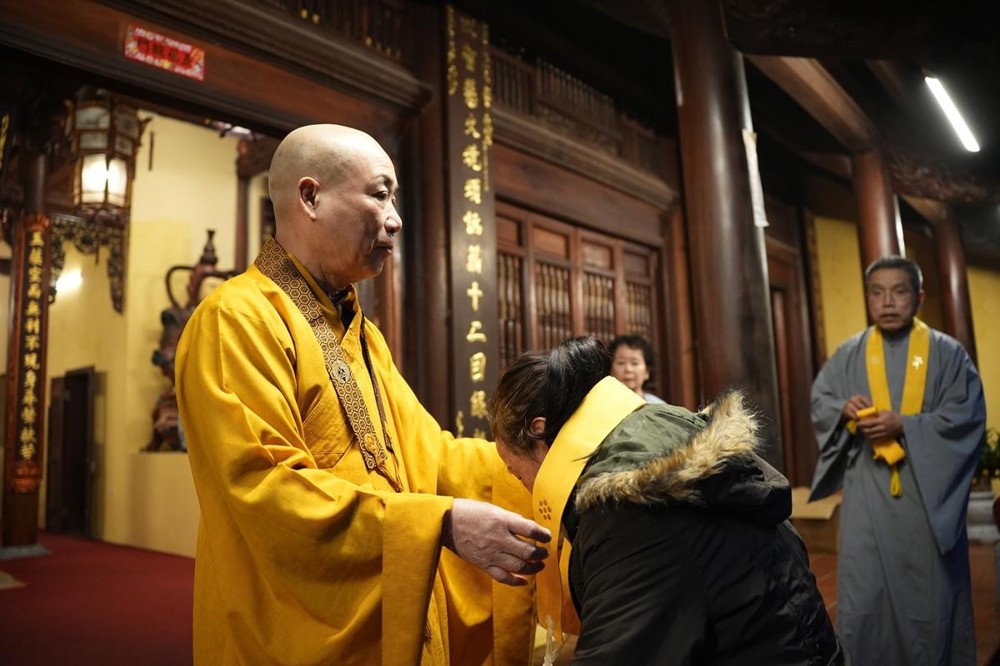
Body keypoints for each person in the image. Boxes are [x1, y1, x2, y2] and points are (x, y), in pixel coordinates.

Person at [175, 124, 550, 666]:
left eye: (394, 199)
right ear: (310, 197)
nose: (395, 219)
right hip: (293, 629)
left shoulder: (360, 332)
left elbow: (430, 455)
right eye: (379, 194)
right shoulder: (235, 319)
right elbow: (264, 487)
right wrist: (438, 524)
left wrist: (540, 457)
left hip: (390, 613)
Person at [488, 336, 847, 665]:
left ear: (540, 432)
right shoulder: (659, 431)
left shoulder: (629, 506)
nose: (526, 487)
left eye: (517, 473)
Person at [809, 255, 985, 665]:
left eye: (899, 291)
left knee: (931, 595)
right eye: (877, 292)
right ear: (868, 298)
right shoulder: (849, 353)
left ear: (918, 297)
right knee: (865, 595)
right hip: (868, 494)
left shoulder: (947, 354)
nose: (887, 302)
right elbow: (823, 401)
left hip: (925, 498)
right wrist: (844, 411)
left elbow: (966, 416)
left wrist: (905, 424)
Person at [608, 334, 666, 403]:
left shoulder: (658, 406)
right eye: (621, 363)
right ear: (611, 369)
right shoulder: (602, 404)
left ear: (647, 371)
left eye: (634, 363)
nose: (628, 369)